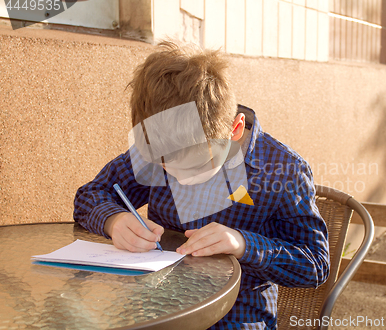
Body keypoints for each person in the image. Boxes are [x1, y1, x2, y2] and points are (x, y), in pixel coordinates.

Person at [74, 41, 329, 329]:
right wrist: (113, 220)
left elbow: (315, 265)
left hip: (236, 314)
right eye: (165, 167)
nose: (179, 178)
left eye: (196, 166)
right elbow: (90, 195)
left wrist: (244, 244)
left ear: (233, 130)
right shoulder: (160, 146)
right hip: (156, 305)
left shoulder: (283, 170)